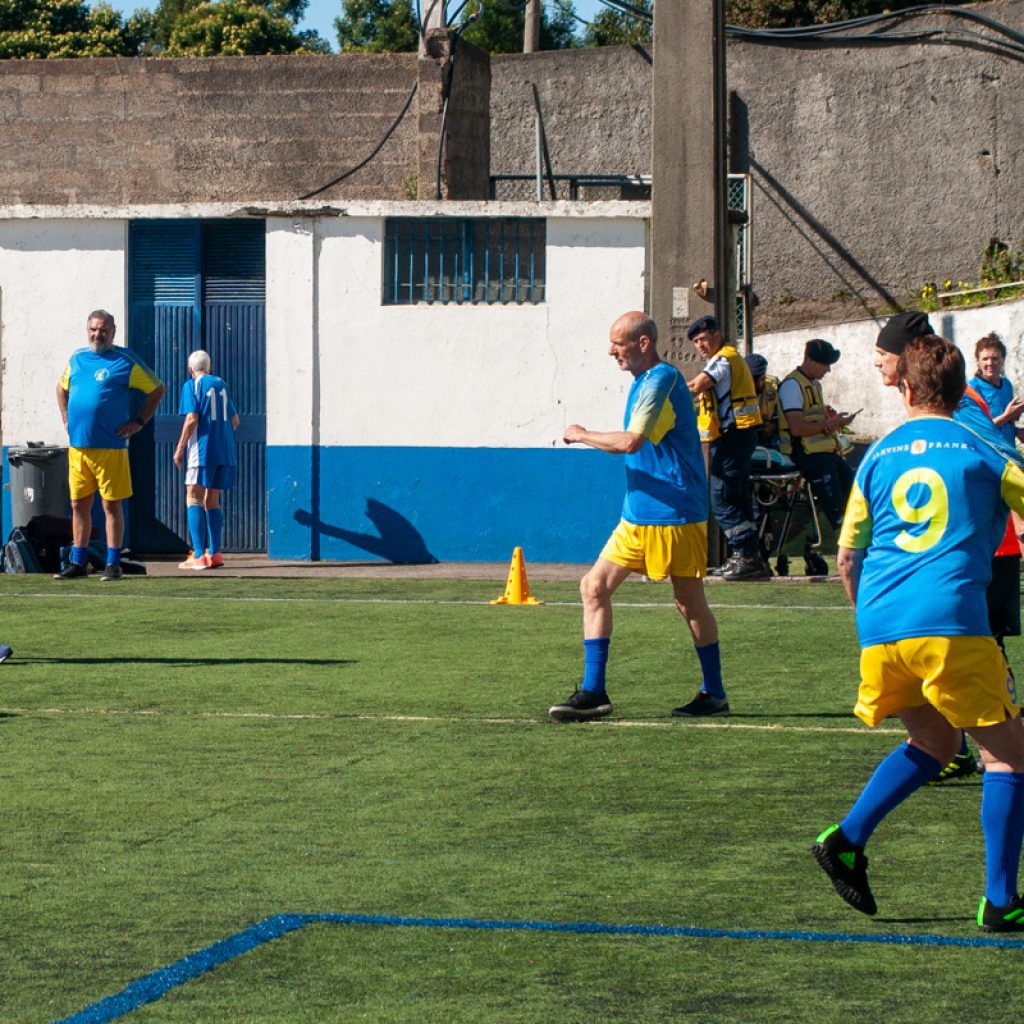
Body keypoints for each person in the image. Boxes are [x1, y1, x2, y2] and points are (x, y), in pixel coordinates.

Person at [812, 335, 1024, 932]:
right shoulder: (980, 442)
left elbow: (848, 553)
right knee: (1008, 758)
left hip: (880, 628)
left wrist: (869, 622)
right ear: (962, 392)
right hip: (951, 623)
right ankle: (1001, 900)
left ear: (904, 388)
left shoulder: (876, 455)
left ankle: (846, 839)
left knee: (934, 745)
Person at [548, 311, 729, 722]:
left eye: (618, 343)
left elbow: (631, 442)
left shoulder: (661, 380)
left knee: (689, 603)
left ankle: (714, 692)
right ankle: (594, 692)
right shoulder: (645, 382)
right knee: (593, 587)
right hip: (638, 515)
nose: (611, 351)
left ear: (643, 343)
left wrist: (581, 434)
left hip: (675, 514)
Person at [876, 310, 1024, 783]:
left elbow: (1004, 461)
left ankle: (990, 750)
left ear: (907, 361)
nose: (876, 365)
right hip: (948, 564)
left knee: (981, 653)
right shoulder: (920, 416)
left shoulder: (956, 410)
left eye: (882, 357)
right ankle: (960, 747)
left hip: (983, 551)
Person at [55, 310, 165, 581]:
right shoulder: (77, 358)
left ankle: (113, 563)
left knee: (110, 505)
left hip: (111, 448)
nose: (97, 334)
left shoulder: (125, 360)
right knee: (78, 505)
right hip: (79, 448)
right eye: (93, 329)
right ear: (87, 330)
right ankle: (78, 562)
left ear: (113, 332)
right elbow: (61, 388)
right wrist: (67, 419)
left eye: (103, 330)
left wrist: (138, 421)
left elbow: (157, 388)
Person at [686, 315, 768, 580]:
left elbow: (697, 386)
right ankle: (748, 557)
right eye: (696, 341)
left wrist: (667, 392)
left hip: (735, 436)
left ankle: (745, 556)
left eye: (703, 339)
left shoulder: (723, 359)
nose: (700, 345)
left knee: (721, 498)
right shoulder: (726, 359)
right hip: (736, 436)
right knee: (737, 496)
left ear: (718, 335)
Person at [778, 338, 857, 530]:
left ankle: (853, 531)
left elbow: (816, 421)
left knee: (854, 487)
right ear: (811, 361)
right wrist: (828, 424)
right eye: (825, 365)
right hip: (804, 453)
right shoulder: (792, 386)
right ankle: (842, 534)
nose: (828, 370)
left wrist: (835, 423)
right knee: (835, 500)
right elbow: (797, 428)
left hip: (821, 451)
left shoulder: (813, 384)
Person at [172, 350, 239, 571]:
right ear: (209, 368)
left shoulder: (191, 385)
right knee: (213, 498)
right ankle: (216, 553)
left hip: (202, 450)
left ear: (191, 369)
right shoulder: (221, 384)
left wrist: (180, 448)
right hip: (225, 449)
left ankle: (199, 555)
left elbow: (192, 418)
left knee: (193, 496)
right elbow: (235, 420)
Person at [969, 333, 1024, 448]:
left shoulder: (1006, 385)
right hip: (988, 455)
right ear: (978, 362)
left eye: (995, 358)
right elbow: (977, 431)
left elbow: (1008, 422)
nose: (990, 363)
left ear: (1003, 359)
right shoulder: (972, 389)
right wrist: (1006, 416)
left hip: (1008, 452)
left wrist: (1017, 431)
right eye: (985, 359)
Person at [745, 352, 781, 450]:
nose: (757, 384)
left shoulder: (775, 386)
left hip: (770, 442)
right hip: (744, 441)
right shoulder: (736, 390)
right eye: (752, 380)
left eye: (761, 379)